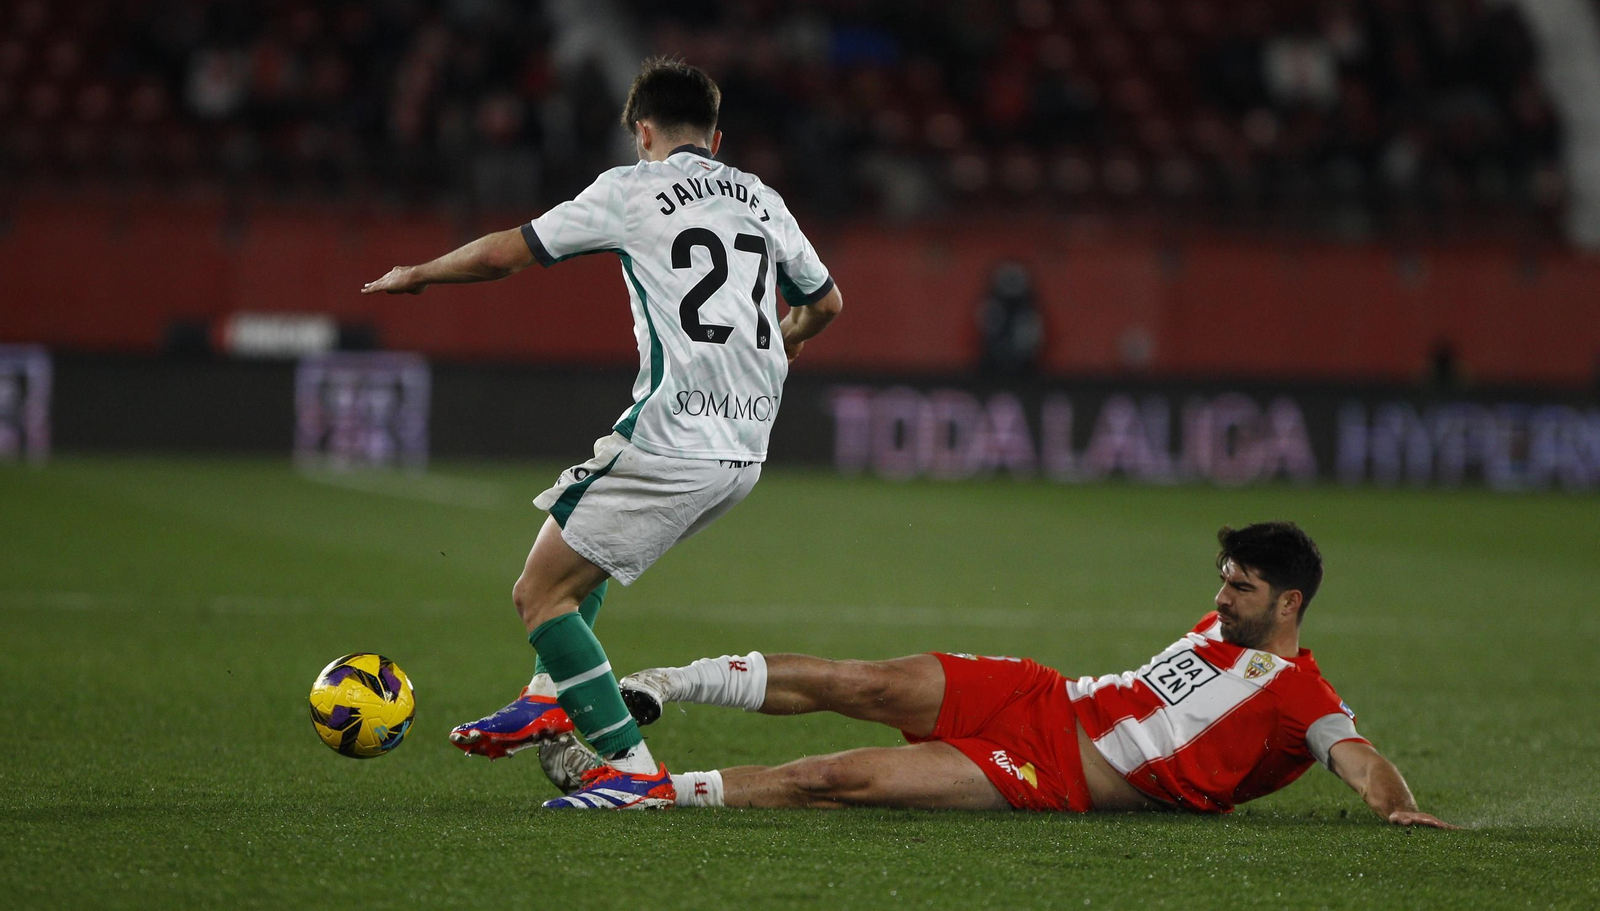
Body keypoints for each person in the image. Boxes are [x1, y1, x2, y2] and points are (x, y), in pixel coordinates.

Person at [361, 57, 843, 809]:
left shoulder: (631, 188)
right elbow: (827, 301)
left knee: (539, 594)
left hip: (672, 436)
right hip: (745, 448)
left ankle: (630, 767)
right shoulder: (760, 195)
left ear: (642, 132)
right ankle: (548, 694)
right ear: (715, 137)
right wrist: (787, 341)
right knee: (578, 558)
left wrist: (419, 273)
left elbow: (502, 254)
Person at [547, 522, 1453, 825]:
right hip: (1038, 694)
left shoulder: (1304, 696)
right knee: (858, 680)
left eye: (1242, 587)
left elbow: (1359, 758)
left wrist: (1398, 803)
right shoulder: (1219, 631)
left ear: (1290, 604)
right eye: (1220, 579)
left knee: (837, 779)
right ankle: (664, 683)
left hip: (1054, 775)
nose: (1221, 597)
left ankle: (644, 794)